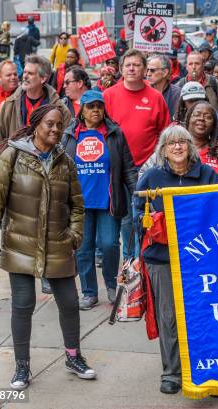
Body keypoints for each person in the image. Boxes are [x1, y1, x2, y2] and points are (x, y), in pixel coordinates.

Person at [0, 104, 96, 391]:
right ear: (35, 125)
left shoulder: (65, 161)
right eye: (49, 124)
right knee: (23, 305)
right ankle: (22, 365)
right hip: (20, 244)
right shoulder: (12, 155)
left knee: (69, 302)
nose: (55, 130)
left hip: (58, 243)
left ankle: (73, 357)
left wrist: (75, 235)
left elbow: (77, 205)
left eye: (59, 125)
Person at [134, 125, 218, 395]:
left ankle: (209, 369)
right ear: (163, 150)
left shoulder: (207, 174)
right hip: (162, 258)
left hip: (202, 259)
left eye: (183, 142)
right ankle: (172, 371)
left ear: (191, 146)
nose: (178, 147)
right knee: (169, 316)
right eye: (171, 143)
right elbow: (137, 214)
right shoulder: (150, 177)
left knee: (205, 313)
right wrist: (152, 224)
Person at [61, 90, 138, 310]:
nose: (95, 110)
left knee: (109, 244)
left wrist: (136, 194)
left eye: (99, 106)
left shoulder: (114, 133)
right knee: (83, 249)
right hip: (79, 204)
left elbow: (128, 168)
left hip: (108, 202)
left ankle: (112, 286)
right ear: (82, 111)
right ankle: (89, 292)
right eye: (90, 106)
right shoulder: (69, 135)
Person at [103, 49, 171, 261]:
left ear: (144, 70)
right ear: (121, 69)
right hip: (114, 170)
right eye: (128, 65)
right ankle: (126, 268)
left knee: (138, 223)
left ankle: (136, 268)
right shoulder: (108, 96)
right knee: (118, 228)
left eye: (137, 65)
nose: (132, 68)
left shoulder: (156, 97)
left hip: (146, 171)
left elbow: (165, 135)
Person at [0, 55, 71, 166]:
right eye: (24, 72)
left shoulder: (60, 109)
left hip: (47, 170)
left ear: (43, 78)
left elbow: (64, 144)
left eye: (30, 73)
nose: (25, 76)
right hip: (16, 169)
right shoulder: (10, 104)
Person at [184, 101, 218, 181]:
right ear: (188, 119)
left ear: (214, 126)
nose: (201, 118)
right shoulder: (177, 148)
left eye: (208, 117)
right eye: (197, 114)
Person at [176, 51, 218, 117]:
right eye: (190, 64)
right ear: (186, 66)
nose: (194, 67)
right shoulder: (180, 85)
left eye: (197, 63)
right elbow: (176, 111)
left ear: (203, 65)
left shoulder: (214, 83)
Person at [147, 55, 181, 119]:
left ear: (165, 72)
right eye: (147, 70)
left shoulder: (177, 94)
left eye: (152, 70)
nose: (148, 74)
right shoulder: (143, 91)